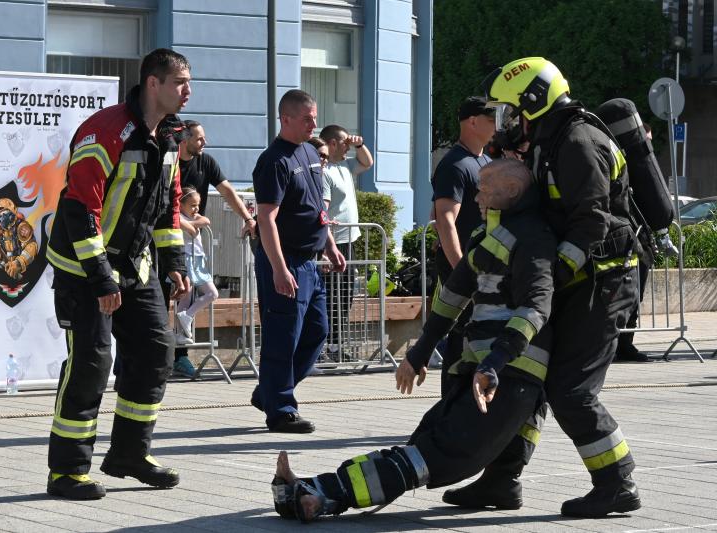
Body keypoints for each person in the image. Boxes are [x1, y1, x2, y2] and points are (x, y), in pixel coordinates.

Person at [269, 159, 554, 522]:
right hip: (484, 371)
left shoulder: (532, 237)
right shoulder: (489, 235)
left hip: (508, 373)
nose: (476, 196)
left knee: (434, 456)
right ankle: (320, 493)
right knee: (425, 447)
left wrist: (494, 363)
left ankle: (321, 492)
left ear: (512, 190)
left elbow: (535, 307)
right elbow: (452, 296)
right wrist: (419, 353)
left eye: (485, 187)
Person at [448, 57, 642, 518]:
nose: (505, 123)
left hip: (603, 281)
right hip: (578, 280)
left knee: (571, 389)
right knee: (531, 376)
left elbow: (590, 223)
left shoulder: (576, 141)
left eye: (511, 111)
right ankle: (502, 479)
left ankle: (617, 482)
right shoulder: (548, 141)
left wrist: (549, 278)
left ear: (533, 102)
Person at [44, 48, 192, 500]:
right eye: (180, 83)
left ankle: (129, 453)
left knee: (155, 352)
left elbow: (167, 206)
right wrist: (102, 278)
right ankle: (66, 472)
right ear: (153, 83)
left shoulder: (170, 134)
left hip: (136, 267)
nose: (188, 92)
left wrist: (175, 264)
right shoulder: (106, 131)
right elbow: (77, 207)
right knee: (91, 362)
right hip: (86, 270)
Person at [249, 89, 346, 433]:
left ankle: (269, 392)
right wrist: (279, 268)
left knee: (318, 332)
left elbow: (316, 207)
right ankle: (281, 410)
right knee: (283, 337)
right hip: (286, 260)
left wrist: (329, 245)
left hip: (311, 261)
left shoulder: (308, 151)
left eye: (315, 117)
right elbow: (266, 219)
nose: (314, 124)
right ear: (285, 119)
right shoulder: (274, 161)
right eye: (307, 118)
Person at [172, 120, 257, 376]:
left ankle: (180, 355)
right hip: (168, 240)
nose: (204, 142)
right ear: (184, 139)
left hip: (194, 243)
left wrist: (248, 219)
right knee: (174, 294)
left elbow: (228, 190)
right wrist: (179, 223)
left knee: (193, 293)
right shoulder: (169, 161)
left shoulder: (206, 162)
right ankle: (156, 355)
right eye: (199, 138)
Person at [430, 97, 495, 394]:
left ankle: (470, 402)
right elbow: (445, 220)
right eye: (490, 116)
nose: (496, 123)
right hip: (462, 266)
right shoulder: (454, 165)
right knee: (460, 337)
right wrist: (460, 270)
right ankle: (450, 406)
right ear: (472, 121)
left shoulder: (484, 161)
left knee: (479, 334)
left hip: (482, 265)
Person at [318, 124, 374, 361]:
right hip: (334, 243)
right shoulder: (325, 171)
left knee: (346, 293)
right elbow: (324, 210)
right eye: (344, 143)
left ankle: (337, 344)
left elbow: (367, 162)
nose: (348, 146)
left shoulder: (344, 165)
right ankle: (326, 346)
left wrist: (360, 144)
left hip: (349, 239)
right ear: (331, 144)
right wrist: (326, 246)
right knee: (332, 294)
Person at [615, 123, 654, 363]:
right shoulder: (624, 166)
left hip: (641, 238)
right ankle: (618, 344)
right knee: (623, 296)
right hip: (625, 238)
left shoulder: (646, 171)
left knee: (635, 297)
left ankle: (627, 343)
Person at [173, 187, 219, 357]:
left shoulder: (193, 217)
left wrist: (193, 223)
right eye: (192, 205)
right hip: (186, 257)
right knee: (186, 293)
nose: (196, 209)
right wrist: (193, 224)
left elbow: (205, 221)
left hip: (198, 259)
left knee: (212, 293)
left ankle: (187, 316)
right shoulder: (178, 216)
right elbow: (185, 225)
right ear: (181, 204)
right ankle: (180, 333)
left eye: (197, 205)